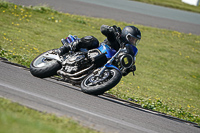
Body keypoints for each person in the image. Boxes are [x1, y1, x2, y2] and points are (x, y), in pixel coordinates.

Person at [55, 25, 141, 75]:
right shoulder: (116, 36)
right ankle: (67, 47)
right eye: (131, 38)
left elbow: (121, 73)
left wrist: (128, 68)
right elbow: (103, 28)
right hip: (98, 51)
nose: (133, 41)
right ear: (125, 35)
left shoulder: (126, 50)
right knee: (93, 40)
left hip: (105, 63)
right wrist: (109, 30)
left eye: (135, 40)